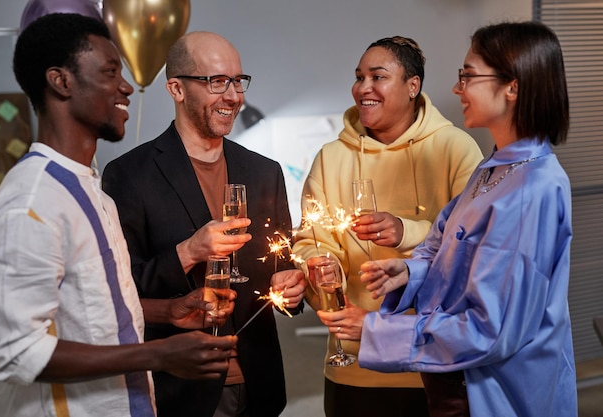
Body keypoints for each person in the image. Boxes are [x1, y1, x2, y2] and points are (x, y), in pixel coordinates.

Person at [0, 13, 239, 417]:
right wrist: (157, 354)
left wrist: (169, 311)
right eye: (110, 72)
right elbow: (15, 354)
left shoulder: (91, 190)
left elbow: (98, 303)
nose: (127, 87)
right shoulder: (29, 203)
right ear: (60, 81)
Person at [345, 21, 576, 417]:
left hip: (497, 393)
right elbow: (442, 244)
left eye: (467, 76)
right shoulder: (494, 168)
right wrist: (408, 273)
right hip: (457, 380)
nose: (457, 89)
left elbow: (493, 330)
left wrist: (376, 329)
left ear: (513, 87)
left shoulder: (531, 190)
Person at [102, 31, 306, 417]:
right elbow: (119, 288)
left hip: (260, 384)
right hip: (180, 391)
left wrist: (294, 286)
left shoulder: (265, 172)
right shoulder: (129, 175)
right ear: (176, 88)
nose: (233, 95)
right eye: (216, 81)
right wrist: (189, 251)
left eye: (238, 81)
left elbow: (284, 262)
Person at [292, 36, 483, 417]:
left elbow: (475, 245)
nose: (363, 88)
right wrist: (316, 263)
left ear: (413, 86)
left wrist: (406, 231)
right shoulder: (332, 157)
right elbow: (309, 239)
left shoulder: (455, 149)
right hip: (354, 366)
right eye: (359, 77)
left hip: (434, 362)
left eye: (377, 77)